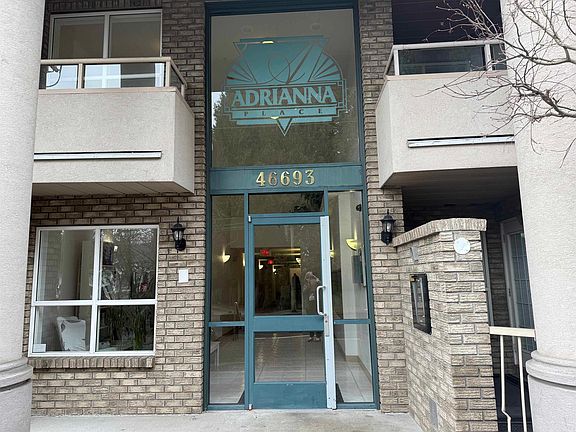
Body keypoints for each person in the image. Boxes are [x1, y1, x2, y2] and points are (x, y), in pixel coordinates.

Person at [303, 271, 322, 342]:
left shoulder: (317, 282)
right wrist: (308, 285)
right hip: (309, 304)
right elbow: (304, 292)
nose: (310, 279)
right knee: (310, 319)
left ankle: (318, 336)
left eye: (311, 277)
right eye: (308, 277)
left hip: (317, 303)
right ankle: (311, 335)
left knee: (317, 318)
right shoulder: (306, 284)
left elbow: (323, 287)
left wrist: (317, 280)